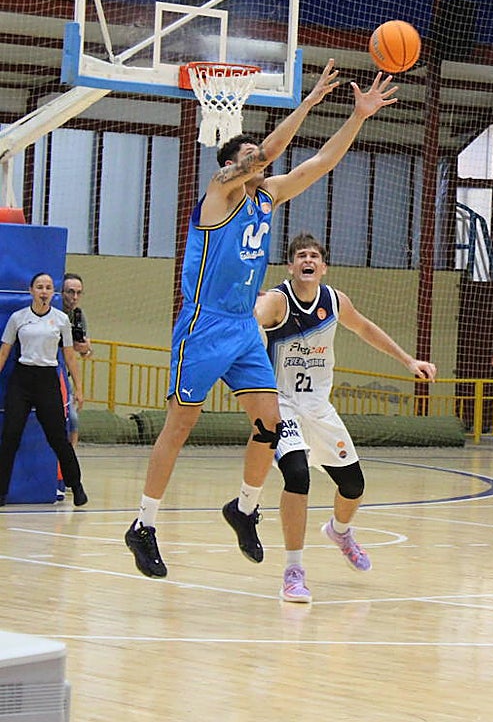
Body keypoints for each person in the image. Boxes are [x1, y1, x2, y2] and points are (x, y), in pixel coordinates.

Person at [124, 60, 398, 579]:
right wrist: (310, 102)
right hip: (203, 326)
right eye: (250, 157)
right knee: (180, 426)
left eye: (258, 157)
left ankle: (244, 508)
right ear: (232, 166)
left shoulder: (267, 197)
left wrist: (358, 116)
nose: (262, 161)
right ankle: (143, 524)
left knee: (271, 425)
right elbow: (269, 152)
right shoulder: (219, 194)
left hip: (243, 331)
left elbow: (320, 162)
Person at [256, 233, 437, 602]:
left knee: (353, 486)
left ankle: (339, 531)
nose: (308, 260)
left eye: (315, 256)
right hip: (282, 405)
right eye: (301, 255)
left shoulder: (335, 301)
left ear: (323, 267)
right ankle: (293, 571)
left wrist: (408, 360)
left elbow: (367, 329)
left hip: (319, 408)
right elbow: (251, 319)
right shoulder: (277, 301)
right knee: (296, 474)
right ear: (291, 266)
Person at [0, 273, 87, 506]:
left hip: (47, 380)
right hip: (22, 379)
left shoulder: (60, 320)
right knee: (10, 436)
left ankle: (76, 486)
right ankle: (1, 492)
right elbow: (4, 351)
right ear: (31, 291)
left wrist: (78, 388)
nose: (44, 291)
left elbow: (69, 355)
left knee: (58, 437)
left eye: (48, 287)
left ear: (53, 293)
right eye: (40, 287)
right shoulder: (18, 318)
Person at [59, 273, 91, 453]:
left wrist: (85, 348)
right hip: (44, 371)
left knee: (73, 418)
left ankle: (70, 460)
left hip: (64, 374)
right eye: (70, 292)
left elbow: (86, 350)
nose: (74, 297)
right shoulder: (51, 312)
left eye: (79, 293)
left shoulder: (78, 316)